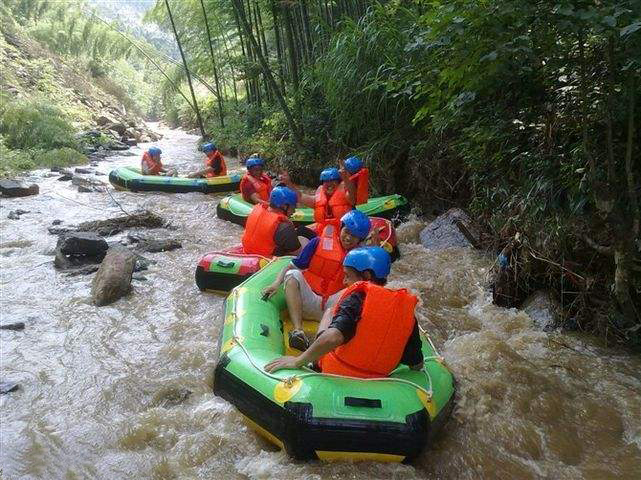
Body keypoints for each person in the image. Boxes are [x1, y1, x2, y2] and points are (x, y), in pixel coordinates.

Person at [264, 246, 423, 377]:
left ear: (366, 276)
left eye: (347, 276)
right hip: (378, 381)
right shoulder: (406, 311)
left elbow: (333, 337)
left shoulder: (356, 299)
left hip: (336, 372)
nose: (344, 281)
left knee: (329, 312)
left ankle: (314, 360)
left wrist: (298, 361)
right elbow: (416, 363)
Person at [261, 210, 372, 351]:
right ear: (341, 227)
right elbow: (291, 265)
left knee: (358, 288)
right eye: (347, 231)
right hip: (309, 301)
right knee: (292, 274)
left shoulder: (362, 258)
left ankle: (322, 342)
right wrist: (276, 283)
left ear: (360, 240)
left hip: (333, 310)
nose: (348, 238)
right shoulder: (317, 243)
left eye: (354, 236)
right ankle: (298, 331)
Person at [241, 186, 302, 256]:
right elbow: (298, 253)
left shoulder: (255, 211)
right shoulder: (285, 227)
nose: (294, 211)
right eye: (293, 207)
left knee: (301, 230)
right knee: (302, 240)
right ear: (285, 206)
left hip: (248, 251)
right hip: (267, 260)